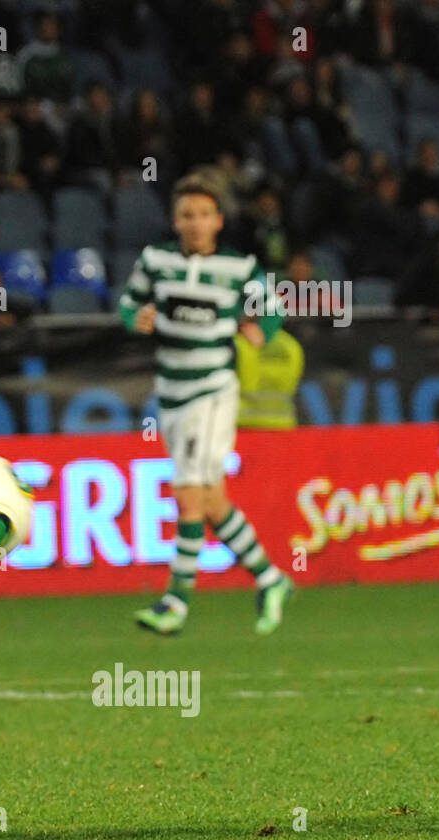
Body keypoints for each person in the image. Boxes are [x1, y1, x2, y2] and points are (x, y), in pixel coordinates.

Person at [118, 174, 294, 637]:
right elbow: (127, 304)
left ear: (218, 220)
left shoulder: (238, 268)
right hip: (171, 392)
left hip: (211, 389)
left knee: (188, 494)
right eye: (187, 215)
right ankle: (271, 578)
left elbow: (273, 305)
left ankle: (175, 601)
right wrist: (137, 319)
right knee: (213, 500)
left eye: (204, 215)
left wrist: (263, 330)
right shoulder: (155, 261)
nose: (195, 223)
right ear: (176, 221)